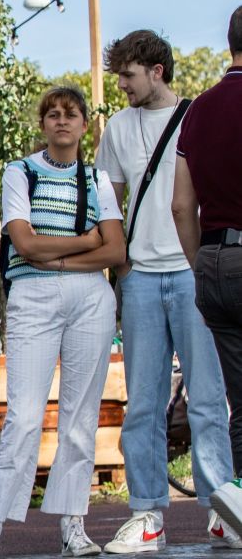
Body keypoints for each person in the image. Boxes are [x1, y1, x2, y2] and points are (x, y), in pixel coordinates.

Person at [0, 87, 126, 559]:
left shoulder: (97, 178)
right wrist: (85, 241)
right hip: (33, 297)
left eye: (71, 115)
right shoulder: (20, 172)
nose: (62, 121)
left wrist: (58, 256)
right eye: (53, 115)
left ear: (83, 125)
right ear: (43, 124)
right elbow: (25, 244)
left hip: (90, 299)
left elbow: (116, 251)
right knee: (23, 416)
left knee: (81, 418)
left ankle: (73, 528)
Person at [96, 29, 234, 552]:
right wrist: (118, 267)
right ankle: (148, 514)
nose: (122, 86)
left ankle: (221, 509)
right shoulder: (117, 128)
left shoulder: (196, 117)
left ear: (156, 70)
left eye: (128, 76)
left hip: (191, 271)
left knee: (207, 401)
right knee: (144, 406)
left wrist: (205, 266)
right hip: (142, 281)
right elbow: (109, 203)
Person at [174, 6, 242, 538]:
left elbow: (181, 205)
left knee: (238, 403)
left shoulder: (196, 110)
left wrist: (202, 264)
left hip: (214, 263)